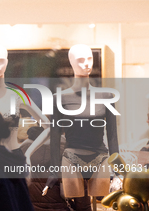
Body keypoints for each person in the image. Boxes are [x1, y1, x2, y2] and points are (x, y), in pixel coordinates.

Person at [44, 44, 119, 198]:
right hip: (71, 159)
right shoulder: (60, 98)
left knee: (99, 207)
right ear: (71, 63)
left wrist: (118, 170)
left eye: (89, 58)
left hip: (100, 158)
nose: (86, 63)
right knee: (78, 207)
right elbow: (55, 137)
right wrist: (53, 172)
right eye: (80, 60)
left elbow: (112, 136)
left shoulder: (106, 97)